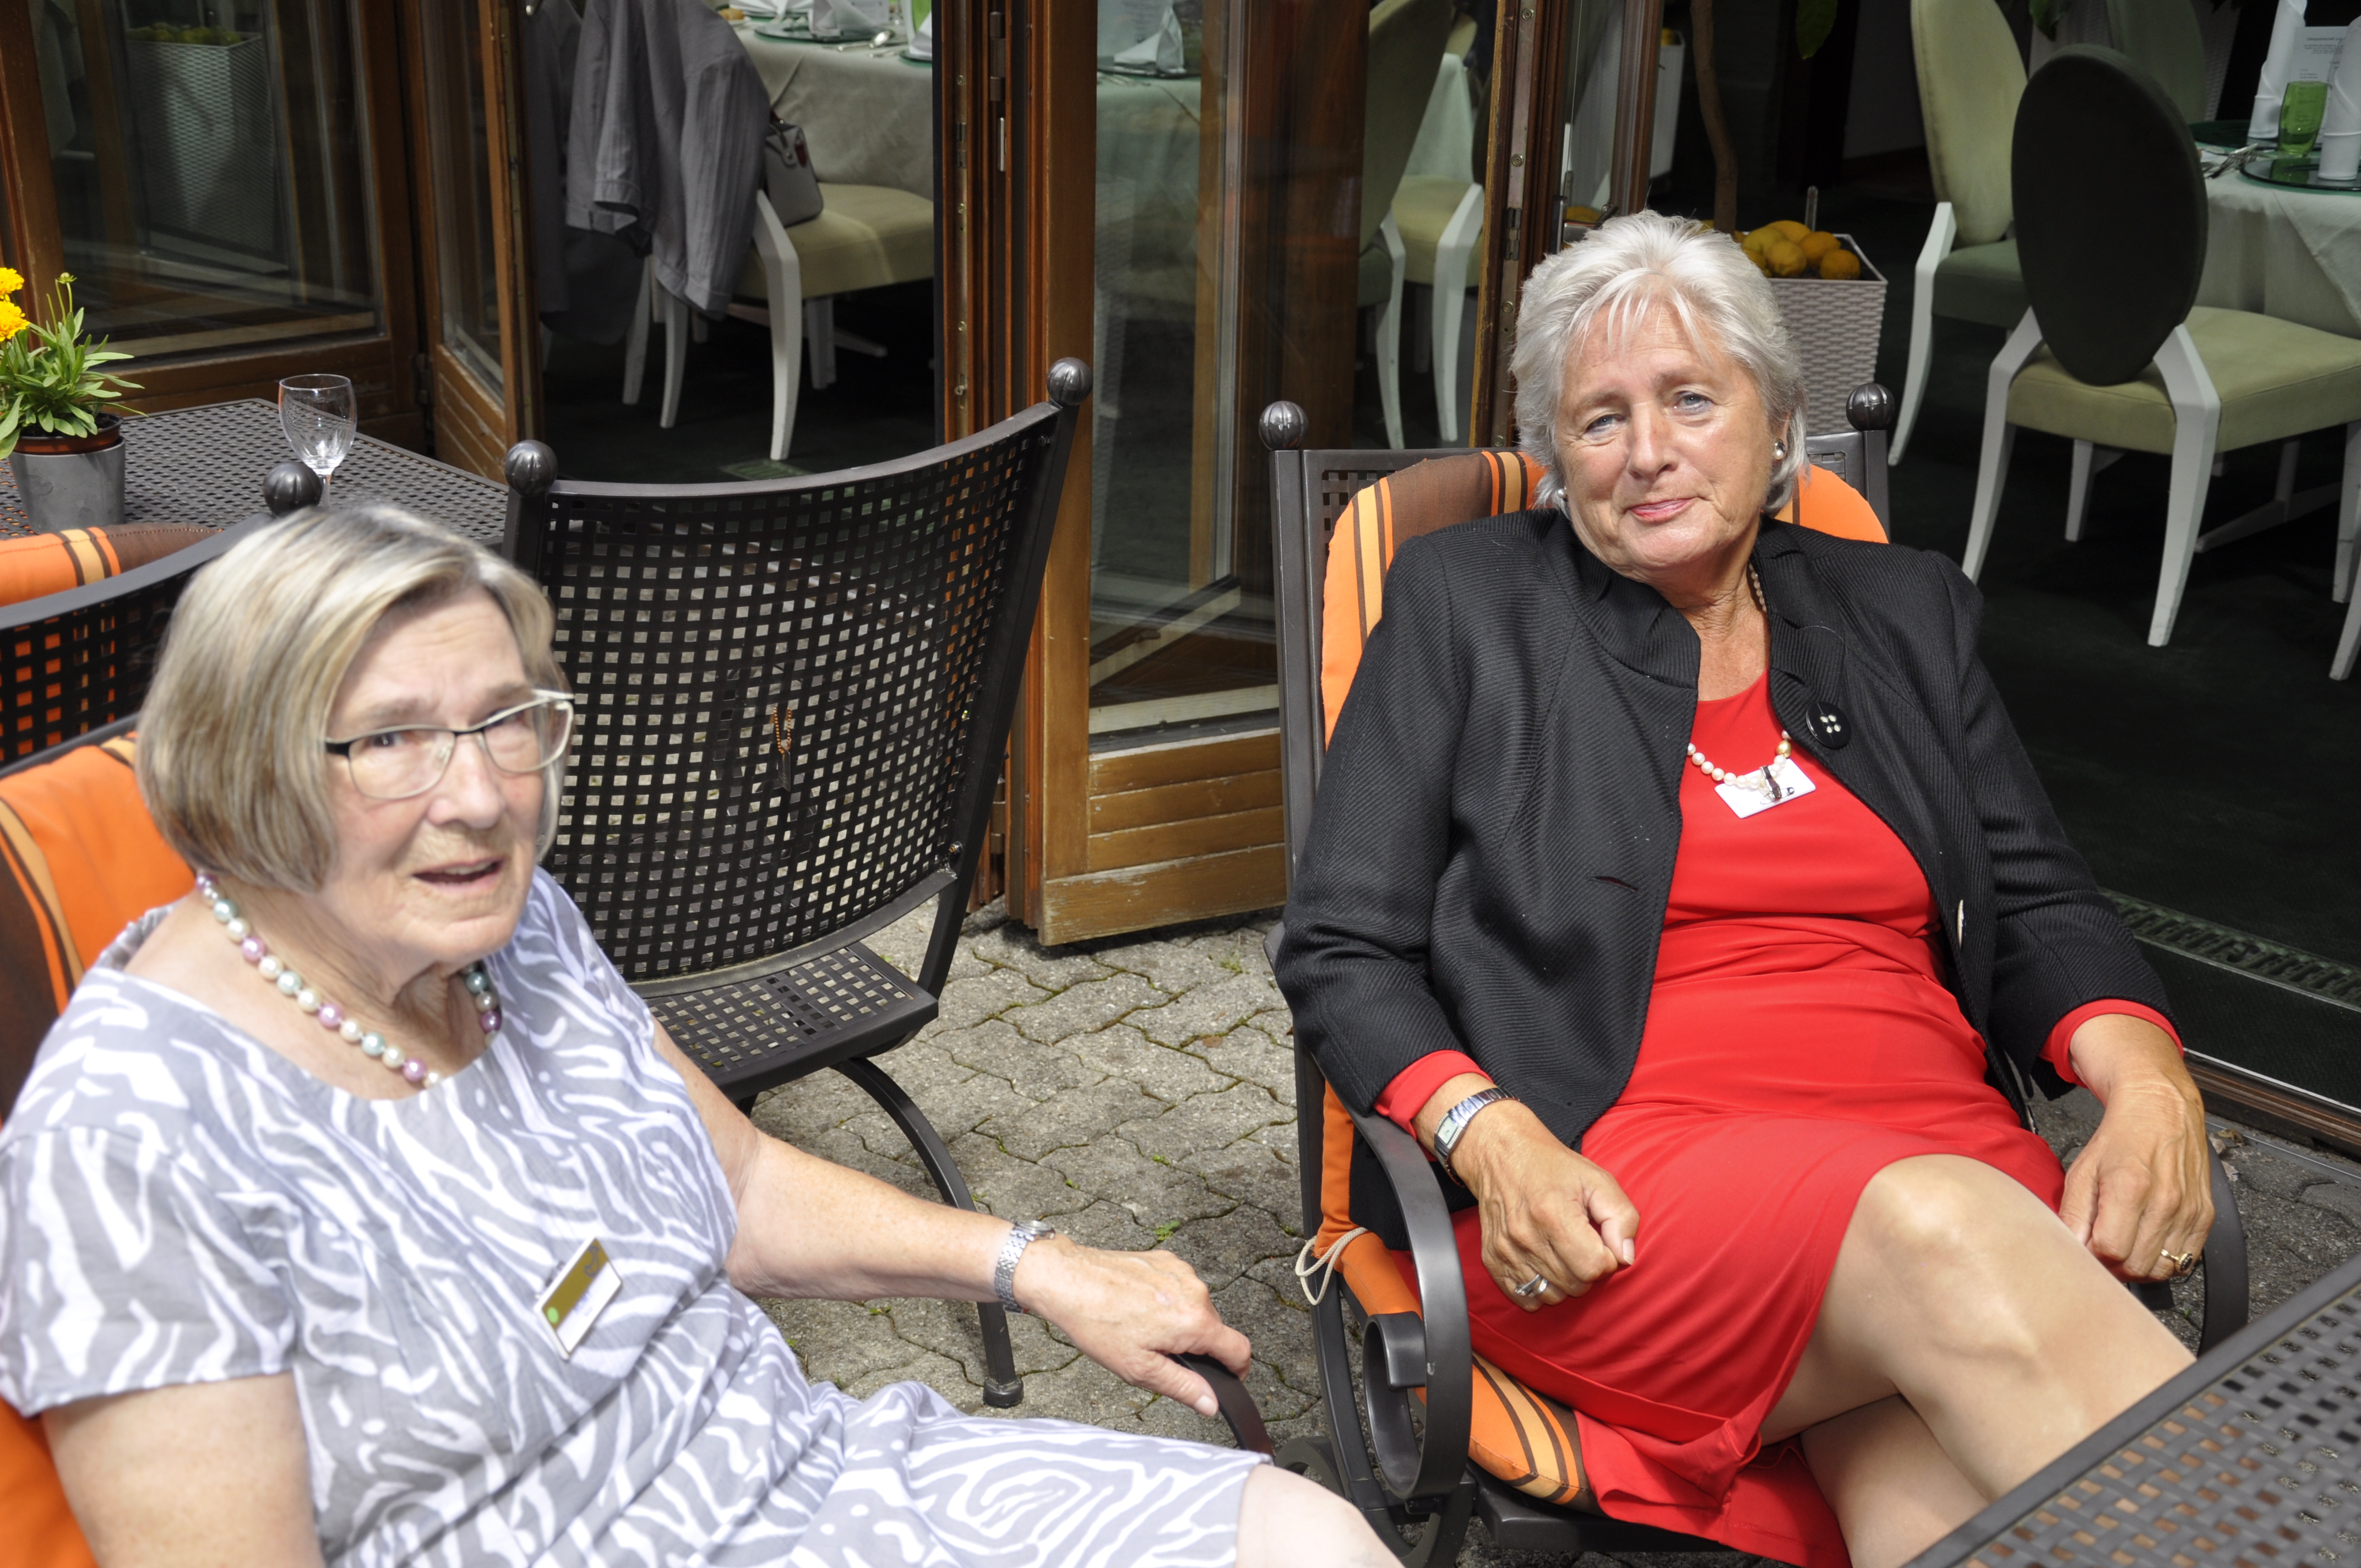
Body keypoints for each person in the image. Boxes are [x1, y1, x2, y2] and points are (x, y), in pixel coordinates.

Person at [0, 507, 1386, 1568]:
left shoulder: (505, 927)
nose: (479, 797)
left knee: (1306, 1541)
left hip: (808, 1484)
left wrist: (1037, 1262)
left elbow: (737, 1181)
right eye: (392, 740)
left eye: (505, 722)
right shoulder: (132, 1142)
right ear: (244, 767)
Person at [1276, 211, 2212, 1568]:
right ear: (1555, 457)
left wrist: (2153, 1087)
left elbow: (2039, 899)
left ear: (1776, 421)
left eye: (1689, 400)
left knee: (1930, 1500)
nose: (1645, 451)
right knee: (1935, 1227)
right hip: (1622, 1198)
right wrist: (1490, 1135)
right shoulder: (1468, 604)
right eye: (1599, 419)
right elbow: (1341, 943)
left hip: (1941, 1170)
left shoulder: (1899, 610)